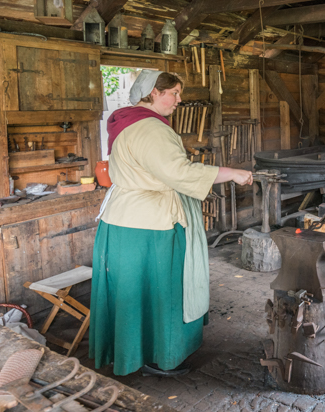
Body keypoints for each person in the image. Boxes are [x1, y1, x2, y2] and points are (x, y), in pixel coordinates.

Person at [90, 70, 253, 377]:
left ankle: (130, 352)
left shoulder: (126, 122)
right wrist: (231, 172)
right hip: (151, 225)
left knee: (131, 291)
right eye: (174, 93)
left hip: (121, 221)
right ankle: (160, 356)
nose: (179, 100)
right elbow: (180, 173)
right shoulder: (151, 129)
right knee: (161, 290)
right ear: (153, 92)